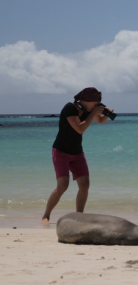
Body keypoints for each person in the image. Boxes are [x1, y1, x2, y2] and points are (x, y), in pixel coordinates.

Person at [42, 87, 113, 225]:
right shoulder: (70, 108)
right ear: (86, 100)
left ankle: (79, 217)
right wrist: (93, 113)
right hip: (61, 152)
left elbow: (100, 120)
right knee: (62, 186)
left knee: (85, 185)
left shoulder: (89, 111)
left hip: (77, 152)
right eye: (95, 102)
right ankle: (46, 216)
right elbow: (79, 129)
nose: (97, 104)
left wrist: (107, 115)